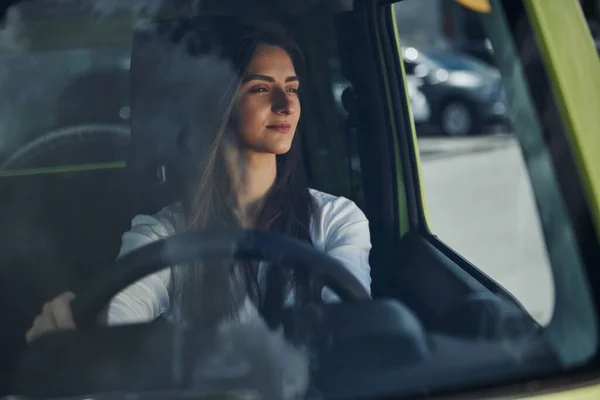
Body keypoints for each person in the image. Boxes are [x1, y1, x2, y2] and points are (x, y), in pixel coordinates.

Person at [25, 17, 372, 343]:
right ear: (215, 102)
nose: (286, 105)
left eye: (292, 88)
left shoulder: (336, 220)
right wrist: (80, 339)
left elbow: (352, 331)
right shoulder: (163, 233)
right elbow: (120, 324)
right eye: (261, 88)